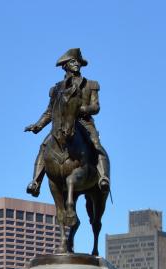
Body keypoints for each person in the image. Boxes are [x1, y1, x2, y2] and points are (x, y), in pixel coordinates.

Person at [25, 47, 110, 196]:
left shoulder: (91, 85)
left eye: (78, 62)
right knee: (44, 146)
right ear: (65, 66)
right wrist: (37, 125)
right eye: (72, 62)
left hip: (84, 123)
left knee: (96, 144)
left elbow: (96, 107)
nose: (76, 64)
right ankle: (36, 181)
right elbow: (50, 111)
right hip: (61, 125)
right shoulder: (57, 88)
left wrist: (81, 109)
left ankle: (103, 177)